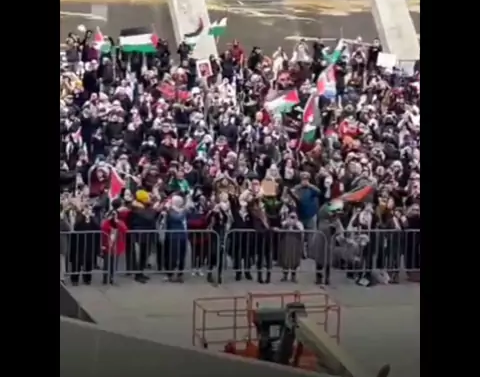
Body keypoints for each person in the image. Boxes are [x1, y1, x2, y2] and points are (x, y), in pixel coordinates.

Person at [60, 27, 420, 287]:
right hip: (198, 232)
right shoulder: (170, 195)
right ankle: (159, 271)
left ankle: (267, 272)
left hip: (268, 232)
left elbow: (289, 198)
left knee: (265, 250)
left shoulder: (278, 193)